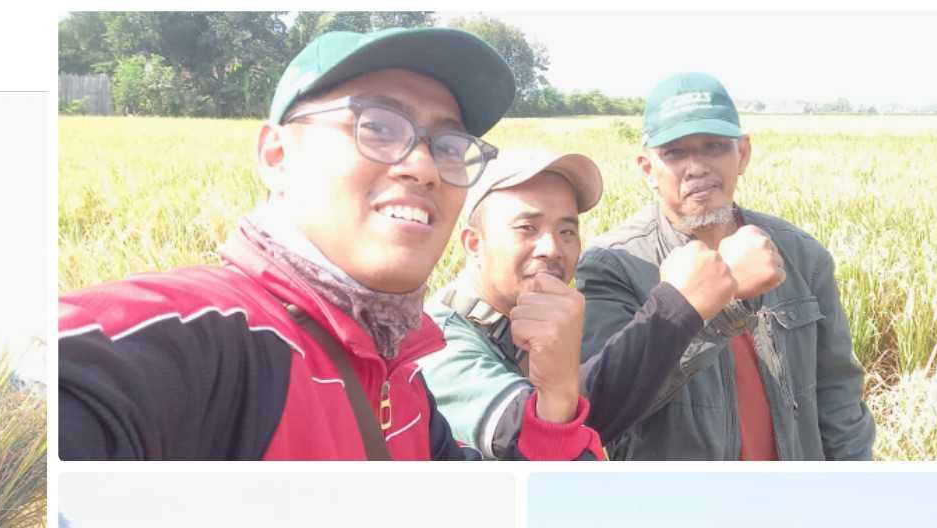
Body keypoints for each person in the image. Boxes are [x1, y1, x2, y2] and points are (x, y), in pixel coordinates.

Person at [59, 26, 603, 461]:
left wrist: (556, 397)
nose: (422, 167)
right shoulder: (201, 341)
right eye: (379, 126)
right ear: (276, 156)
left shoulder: (406, 374)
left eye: (448, 144)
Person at [576, 71, 876, 461]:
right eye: (675, 153)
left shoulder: (801, 255)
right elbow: (599, 409)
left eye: (713, 146)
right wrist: (722, 296)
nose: (696, 167)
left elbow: (838, 395)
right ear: (648, 169)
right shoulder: (615, 265)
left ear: (743, 154)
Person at [420, 146, 781, 457]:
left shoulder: (536, 321)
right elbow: (544, 439)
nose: (551, 249)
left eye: (566, 231)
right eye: (526, 228)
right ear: (473, 243)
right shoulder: (440, 343)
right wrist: (683, 306)